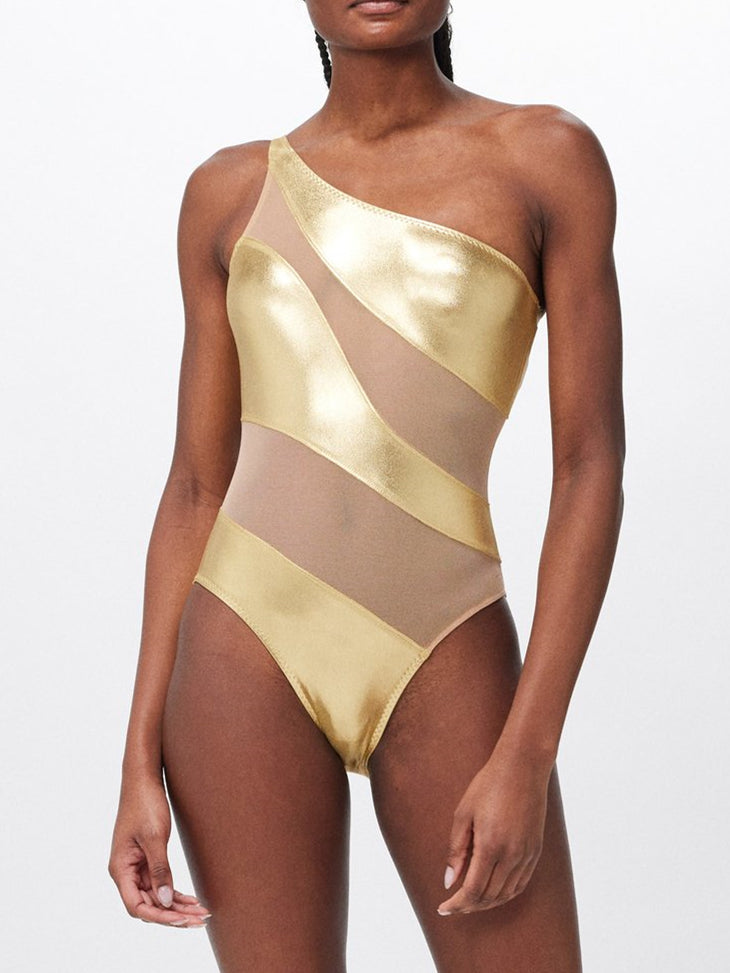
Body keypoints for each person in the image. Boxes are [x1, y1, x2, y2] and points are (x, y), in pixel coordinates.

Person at [108, 1, 625, 970]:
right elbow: (195, 486)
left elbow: (589, 463)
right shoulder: (228, 191)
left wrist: (527, 752)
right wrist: (138, 758)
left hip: (445, 640)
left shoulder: (544, 158)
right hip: (241, 649)